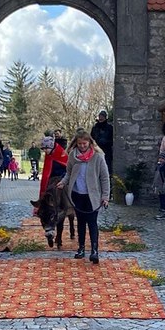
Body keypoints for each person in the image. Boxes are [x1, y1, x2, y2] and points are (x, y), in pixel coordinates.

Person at [57, 130, 111, 263]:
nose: (82, 146)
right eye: (79, 144)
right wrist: (63, 183)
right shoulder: (72, 156)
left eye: (84, 143)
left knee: (92, 223)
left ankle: (94, 250)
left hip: (93, 195)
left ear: (89, 143)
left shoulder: (98, 157)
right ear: (76, 143)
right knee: (80, 222)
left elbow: (104, 178)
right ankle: (81, 248)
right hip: (77, 194)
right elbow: (68, 173)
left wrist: (105, 196)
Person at [91, 109, 114, 175]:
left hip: (106, 151)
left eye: (102, 116)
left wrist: (106, 142)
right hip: (96, 151)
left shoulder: (109, 128)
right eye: (100, 116)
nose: (101, 118)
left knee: (106, 169)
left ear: (105, 117)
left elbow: (112, 140)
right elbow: (91, 138)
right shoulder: (95, 128)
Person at [152, 152, 165, 219]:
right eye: (160, 158)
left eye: (162, 158)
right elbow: (156, 177)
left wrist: (164, 187)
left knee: (164, 199)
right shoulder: (159, 166)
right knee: (161, 199)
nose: (160, 160)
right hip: (159, 186)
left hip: (164, 186)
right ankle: (162, 210)